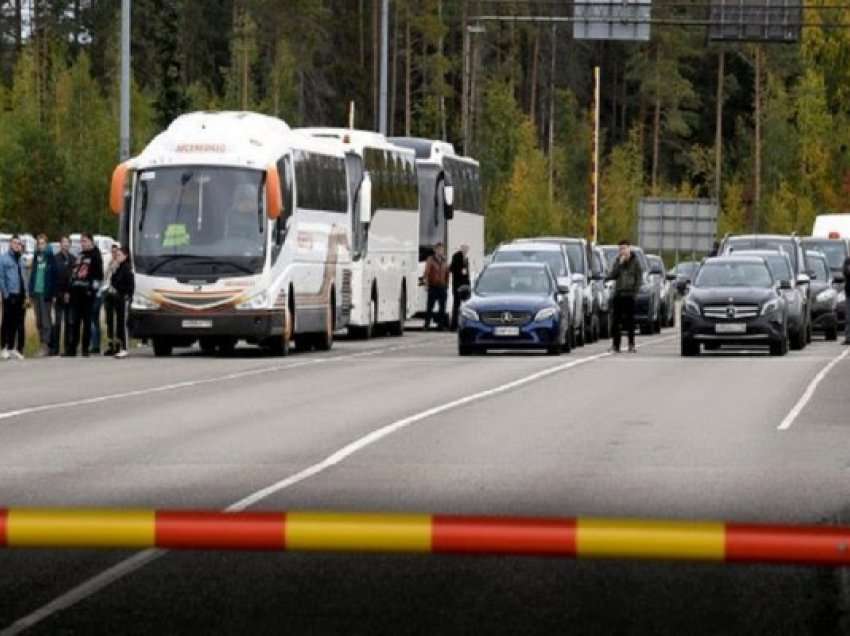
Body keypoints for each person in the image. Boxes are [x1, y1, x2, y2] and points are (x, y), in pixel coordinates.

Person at [66, 233, 103, 357]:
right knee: (74, 322)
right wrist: (69, 290)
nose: (83, 243)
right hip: (76, 293)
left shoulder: (96, 256)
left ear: (91, 242)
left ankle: (85, 348)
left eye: (85, 241)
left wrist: (92, 291)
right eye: (82, 241)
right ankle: (72, 348)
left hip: (87, 294)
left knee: (87, 322)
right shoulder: (80, 255)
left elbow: (99, 277)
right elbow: (74, 273)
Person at [606, 239, 643, 354]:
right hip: (619, 294)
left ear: (629, 248)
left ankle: (631, 344)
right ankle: (615, 345)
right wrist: (620, 264)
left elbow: (639, 278)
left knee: (630, 322)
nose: (622, 251)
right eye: (620, 249)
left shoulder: (635, 262)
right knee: (616, 321)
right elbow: (612, 275)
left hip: (630, 295)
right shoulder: (618, 261)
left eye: (624, 248)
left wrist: (635, 292)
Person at [28, 234, 57, 356]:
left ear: (47, 244)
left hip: (46, 294)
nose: (41, 245)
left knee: (46, 321)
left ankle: (46, 345)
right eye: (39, 243)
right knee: (38, 321)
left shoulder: (51, 258)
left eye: (43, 243)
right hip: (36, 293)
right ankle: (42, 344)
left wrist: (53, 293)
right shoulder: (36, 257)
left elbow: (55, 277)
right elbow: (32, 276)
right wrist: (30, 291)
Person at [0, 235, 27, 360]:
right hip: (10, 294)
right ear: (10, 244)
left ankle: (12, 348)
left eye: (19, 243)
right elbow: (1, 278)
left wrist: (26, 294)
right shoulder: (4, 259)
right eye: (15, 243)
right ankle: (3, 348)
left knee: (17, 323)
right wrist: (5, 294)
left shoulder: (20, 259)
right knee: (7, 321)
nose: (17, 245)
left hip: (20, 295)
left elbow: (24, 277)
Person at [105, 246, 134, 358]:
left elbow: (130, 285)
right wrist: (113, 269)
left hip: (124, 299)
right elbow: (113, 281)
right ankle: (120, 346)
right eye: (116, 255)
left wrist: (127, 296)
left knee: (124, 324)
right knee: (119, 323)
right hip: (117, 299)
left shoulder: (127, 268)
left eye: (119, 255)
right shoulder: (119, 267)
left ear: (125, 256)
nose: (117, 257)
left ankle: (125, 347)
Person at [50, 236, 76, 356]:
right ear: (60, 244)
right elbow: (53, 278)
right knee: (57, 322)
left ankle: (67, 348)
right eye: (63, 242)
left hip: (70, 295)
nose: (65, 245)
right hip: (58, 294)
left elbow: (74, 278)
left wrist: (69, 293)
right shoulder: (55, 259)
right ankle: (54, 348)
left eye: (67, 243)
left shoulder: (74, 259)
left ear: (70, 245)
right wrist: (55, 295)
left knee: (69, 322)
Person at [93, 243, 119, 354]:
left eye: (116, 252)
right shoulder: (108, 262)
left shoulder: (121, 264)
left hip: (116, 293)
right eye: (112, 252)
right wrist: (109, 266)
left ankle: (117, 344)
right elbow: (104, 277)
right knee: (108, 320)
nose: (114, 254)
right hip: (106, 291)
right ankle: (110, 343)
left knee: (116, 320)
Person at [422, 242, 449, 331]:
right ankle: (426, 325)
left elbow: (447, 274)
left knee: (442, 307)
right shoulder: (430, 259)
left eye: (441, 249)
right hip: (433, 286)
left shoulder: (444, 260)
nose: (440, 251)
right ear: (435, 250)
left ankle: (440, 325)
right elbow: (426, 273)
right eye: (438, 249)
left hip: (442, 286)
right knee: (430, 307)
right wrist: (426, 284)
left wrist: (446, 285)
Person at [449, 244, 470, 331]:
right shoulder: (456, 256)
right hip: (458, 285)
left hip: (465, 285)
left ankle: (464, 324)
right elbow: (452, 268)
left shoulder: (466, 258)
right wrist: (461, 270)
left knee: (466, 306)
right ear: (461, 249)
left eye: (467, 249)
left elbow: (466, 272)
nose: (466, 250)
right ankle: (454, 326)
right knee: (456, 305)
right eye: (464, 249)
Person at [843, 253, 850, 345]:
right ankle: (848, 337)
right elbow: (846, 271)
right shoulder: (848, 261)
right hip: (849, 293)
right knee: (849, 317)